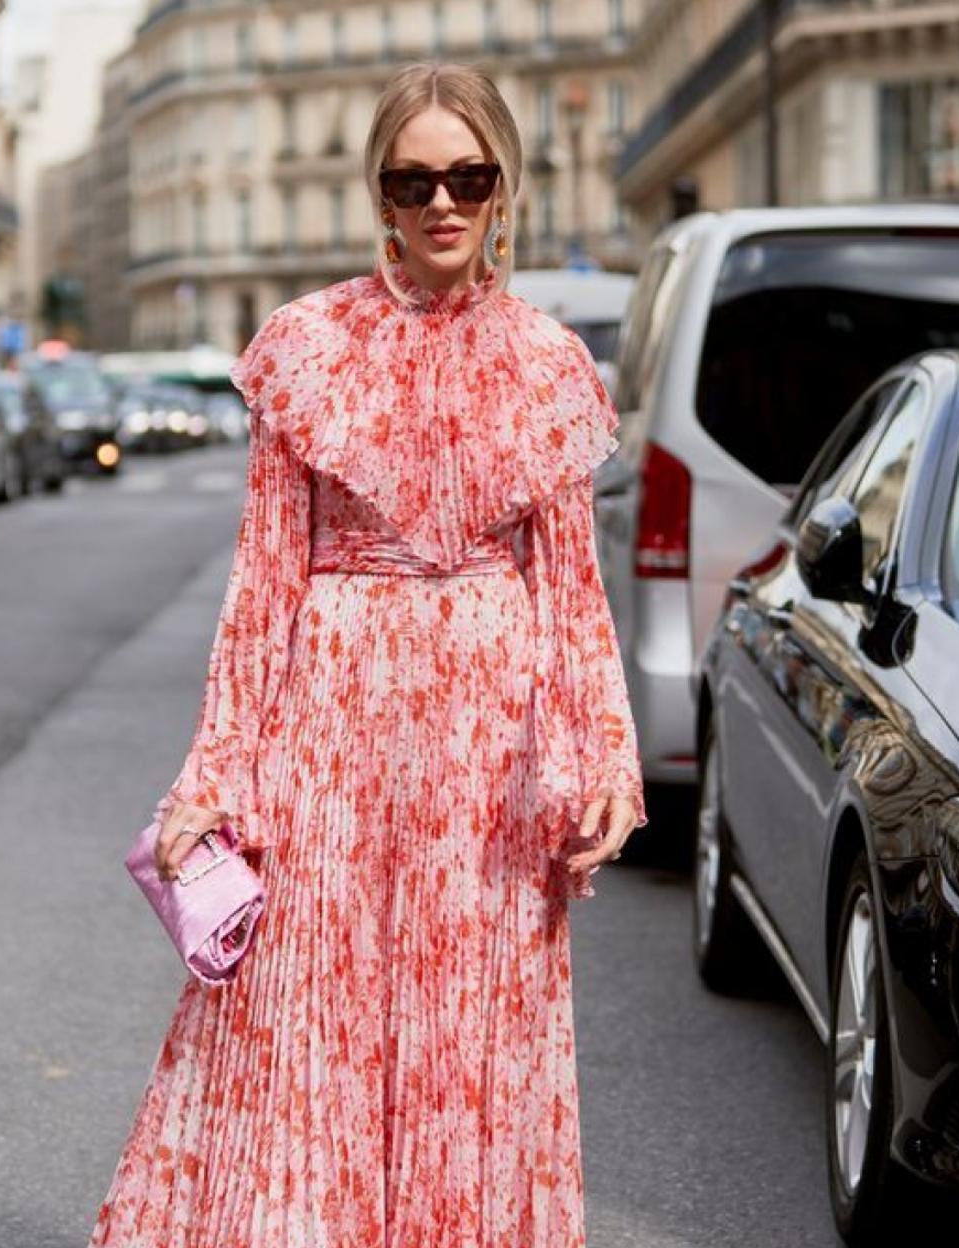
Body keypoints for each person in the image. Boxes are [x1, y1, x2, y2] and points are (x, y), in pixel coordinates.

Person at [88, 62, 647, 1248]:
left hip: (491, 764)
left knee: (471, 1040)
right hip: (330, 741)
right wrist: (215, 772)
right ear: (379, 195)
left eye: (468, 178)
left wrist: (603, 757)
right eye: (413, 180)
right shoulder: (307, 346)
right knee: (310, 1028)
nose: (442, 203)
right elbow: (261, 585)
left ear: (503, 189)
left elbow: (573, 592)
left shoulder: (550, 363)